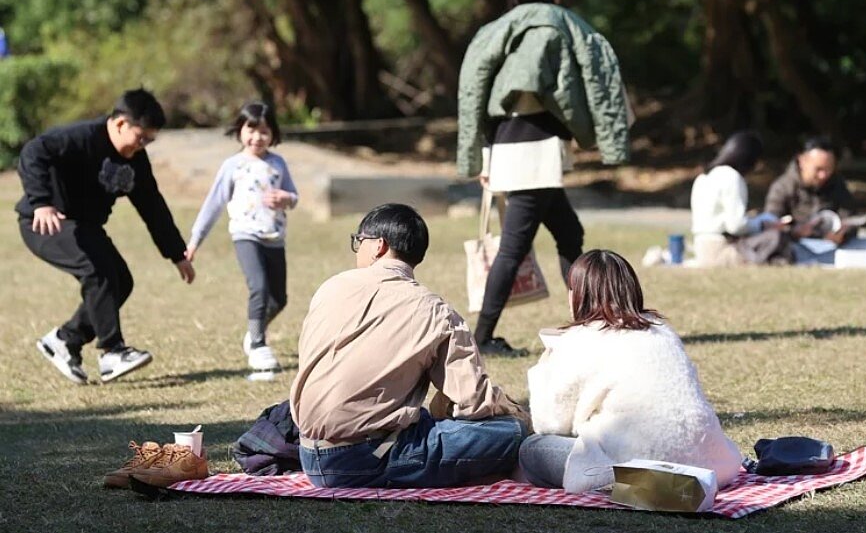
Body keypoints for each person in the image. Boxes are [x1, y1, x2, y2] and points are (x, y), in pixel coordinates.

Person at [457, 0, 632, 356]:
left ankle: (587, 321)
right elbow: (539, 82)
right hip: (532, 152)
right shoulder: (549, 28)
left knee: (569, 235)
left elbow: (485, 93)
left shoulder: (501, 28)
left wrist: (485, 155)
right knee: (514, 248)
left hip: (516, 147)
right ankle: (481, 338)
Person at [289, 203, 530, 488]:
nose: (358, 248)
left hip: (308, 451)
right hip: (367, 460)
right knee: (512, 432)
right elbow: (473, 401)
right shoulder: (435, 311)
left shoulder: (330, 287)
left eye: (358, 241)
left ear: (379, 246)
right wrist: (517, 412)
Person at [518, 250, 742, 492]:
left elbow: (550, 423)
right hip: (708, 461)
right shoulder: (662, 331)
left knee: (531, 449)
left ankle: (646, 482)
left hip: (637, 463)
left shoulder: (582, 338)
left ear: (579, 295)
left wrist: (543, 368)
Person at [18, 88, 195, 385]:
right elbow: (34, 151)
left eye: (149, 140)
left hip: (85, 227)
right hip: (47, 221)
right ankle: (112, 351)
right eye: (141, 137)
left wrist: (177, 253)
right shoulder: (82, 137)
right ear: (120, 123)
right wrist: (42, 203)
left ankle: (65, 340)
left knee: (121, 282)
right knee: (97, 271)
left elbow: (152, 206)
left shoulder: (136, 160)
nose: (143, 145)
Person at [185, 102, 298, 379]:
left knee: (278, 298)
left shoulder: (277, 164)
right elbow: (212, 205)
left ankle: (253, 330)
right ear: (240, 130)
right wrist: (194, 241)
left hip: (275, 238)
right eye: (251, 129)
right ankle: (258, 347)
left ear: (273, 134)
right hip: (245, 235)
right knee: (258, 287)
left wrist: (286, 199)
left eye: (264, 131)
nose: (257, 137)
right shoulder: (232, 166)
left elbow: (293, 197)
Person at [764, 137, 866, 265]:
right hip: (795, 246)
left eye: (829, 169)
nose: (823, 175)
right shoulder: (783, 187)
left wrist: (843, 233)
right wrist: (794, 232)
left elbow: (850, 216)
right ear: (802, 161)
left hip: (831, 246)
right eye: (818, 169)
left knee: (863, 245)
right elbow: (770, 224)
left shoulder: (837, 184)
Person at [690, 131, 790, 266]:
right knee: (776, 237)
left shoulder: (703, 177)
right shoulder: (732, 177)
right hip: (721, 249)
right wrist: (762, 225)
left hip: (702, 247)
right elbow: (736, 225)